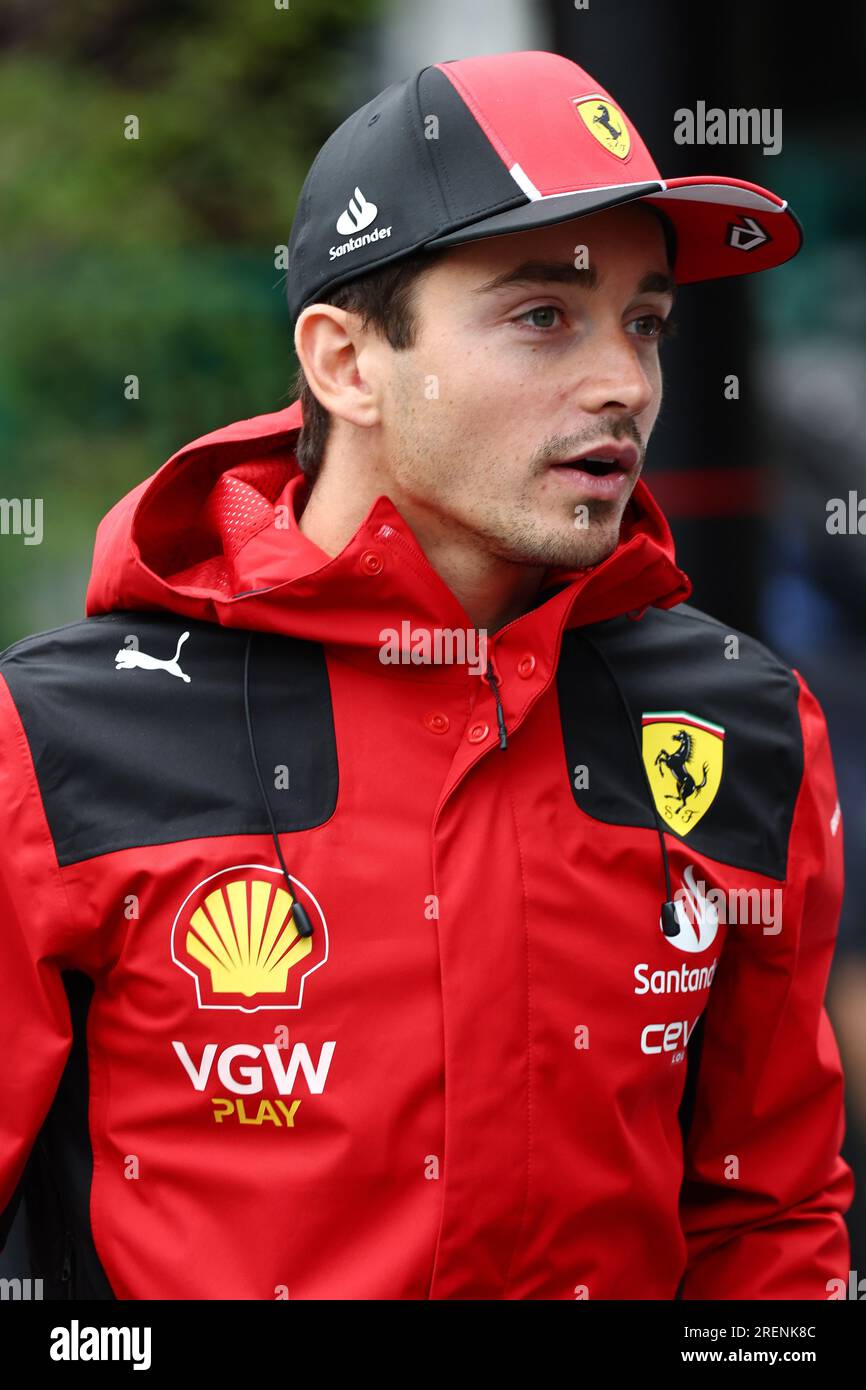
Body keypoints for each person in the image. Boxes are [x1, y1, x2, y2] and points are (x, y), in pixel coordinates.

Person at [0, 49, 854, 1300]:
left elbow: (768, 1221)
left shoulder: (742, 721)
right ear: (347, 364)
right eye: (541, 316)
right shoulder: (58, 732)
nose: (623, 381)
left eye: (646, 322)